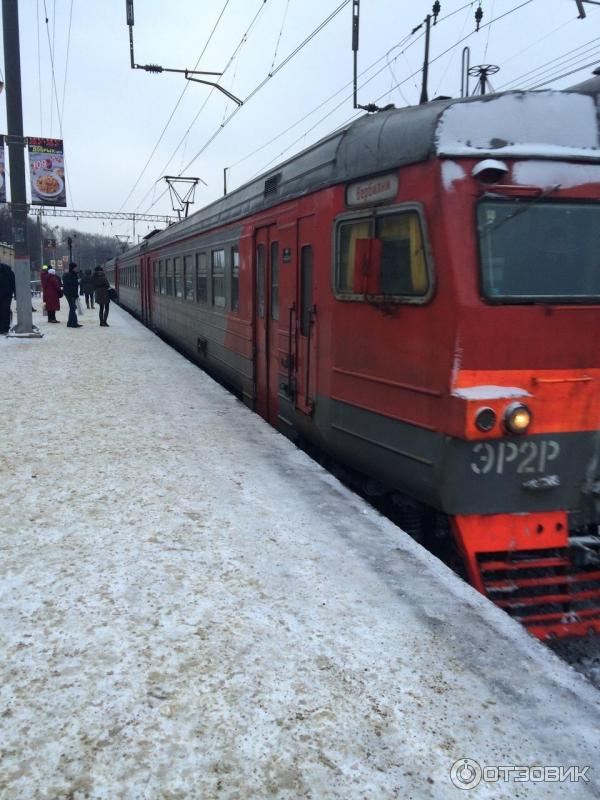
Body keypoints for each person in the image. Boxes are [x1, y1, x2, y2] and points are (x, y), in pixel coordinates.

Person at [63, 262, 82, 328]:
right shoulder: (71, 275)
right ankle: (74, 323)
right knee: (73, 308)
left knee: (72, 308)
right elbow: (72, 286)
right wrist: (75, 295)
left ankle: (70, 323)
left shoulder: (69, 274)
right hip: (70, 294)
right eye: (75, 267)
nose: (76, 269)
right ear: (73, 268)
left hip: (69, 293)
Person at [0, 262, 15, 334]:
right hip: (7, 294)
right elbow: (13, 283)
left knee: (5, 310)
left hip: (6, 294)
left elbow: (13, 282)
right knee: (5, 310)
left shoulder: (8, 271)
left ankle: (4, 328)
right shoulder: (9, 271)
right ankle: (4, 328)